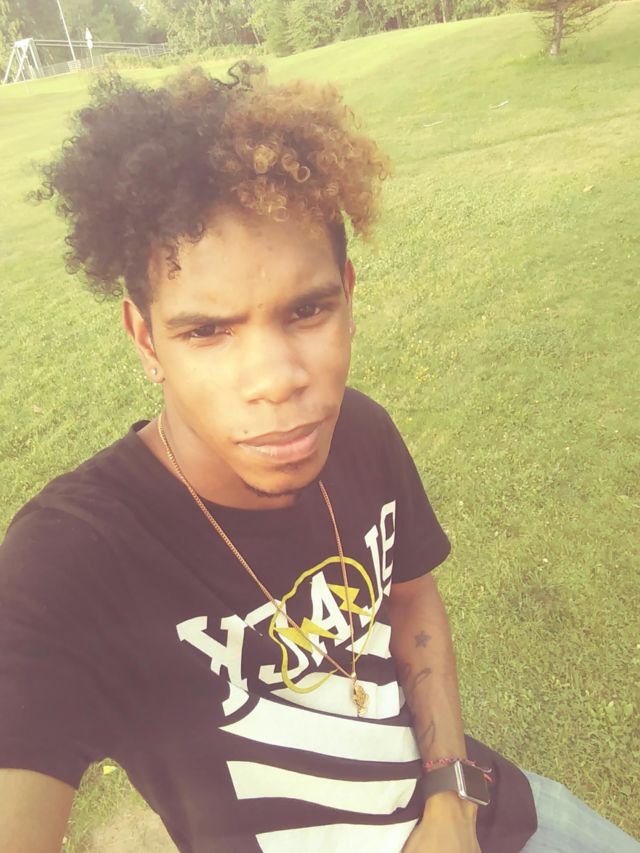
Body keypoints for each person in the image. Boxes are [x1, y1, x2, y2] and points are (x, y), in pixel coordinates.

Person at [0, 63, 637, 853]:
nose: (277, 380)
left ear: (348, 294)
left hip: (492, 817)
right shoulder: (72, 558)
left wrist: (449, 797)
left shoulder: (361, 432)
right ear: (145, 339)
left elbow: (413, 602)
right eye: (207, 330)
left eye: (307, 310)